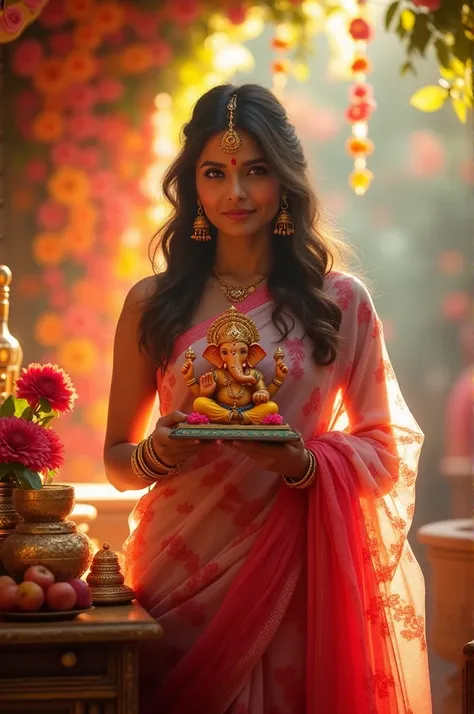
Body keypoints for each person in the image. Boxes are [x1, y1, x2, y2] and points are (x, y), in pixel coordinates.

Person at [104, 83, 432, 714]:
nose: (235, 193)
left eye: (255, 171)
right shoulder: (152, 304)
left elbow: (386, 454)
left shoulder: (339, 303)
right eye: (215, 173)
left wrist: (302, 465)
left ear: (284, 180)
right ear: (191, 185)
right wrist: (156, 453)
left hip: (297, 592)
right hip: (179, 579)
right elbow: (116, 463)